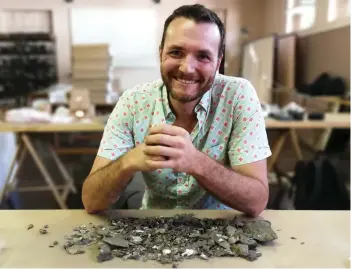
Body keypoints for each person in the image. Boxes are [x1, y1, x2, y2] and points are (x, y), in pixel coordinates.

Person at [82, 4, 272, 217]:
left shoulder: (238, 95)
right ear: (161, 53)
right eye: (176, 52)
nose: (187, 68)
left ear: (218, 62)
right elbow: (91, 202)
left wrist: (195, 162)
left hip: (224, 228)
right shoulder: (133, 102)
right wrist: (126, 163)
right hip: (154, 228)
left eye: (203, 56)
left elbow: (257, 201)